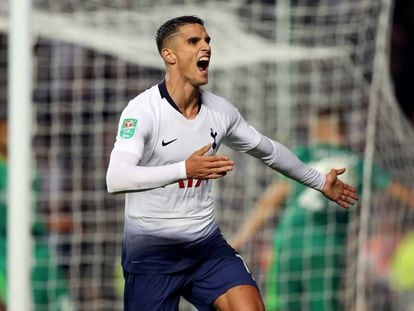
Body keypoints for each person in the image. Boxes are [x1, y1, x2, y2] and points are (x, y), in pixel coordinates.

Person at [105, 15, 358, 311]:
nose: (206, 47)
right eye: (193, 41)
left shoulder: (220, 111)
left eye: (207, 40)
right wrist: (185, 169)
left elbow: (269, 151)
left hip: (205, 248)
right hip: (151, 256)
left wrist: (318, 181)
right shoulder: (142, 111)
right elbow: (116, 178)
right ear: (169, 55)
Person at [230, 108, 414, 311]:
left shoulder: (304, 154)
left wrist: (241, 237)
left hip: (291, 244)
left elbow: (271, 201)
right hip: (328, 247)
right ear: (343, 130)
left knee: (281, 304)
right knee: (325, 305)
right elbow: (402, 193)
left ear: (319, 130)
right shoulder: (359, 163)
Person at [0, 115, 73, 311]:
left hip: (31, 242)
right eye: (6, 130)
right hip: (2, 246)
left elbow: (29, 212)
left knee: (52, 294)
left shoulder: (28, 167)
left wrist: (46, 224)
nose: (10, 136)